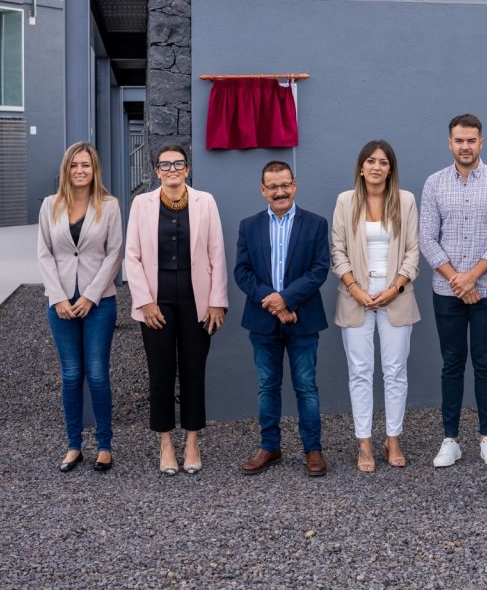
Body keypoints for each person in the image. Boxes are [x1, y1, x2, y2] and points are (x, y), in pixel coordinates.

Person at [419, 113, 487, 468]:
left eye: (471, 140)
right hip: (447, 291)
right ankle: (451, 439)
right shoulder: (433, 184)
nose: (465, 146)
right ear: (449, 142)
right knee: (452, 363)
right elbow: (427, 238)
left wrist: (472, 277)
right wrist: (456, 281)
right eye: (459, 140)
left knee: (485, 361)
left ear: (481, 142)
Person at [124, 145, 228, 476]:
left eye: (178, 163)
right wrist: (144, 300)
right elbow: (132, 256)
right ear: (156, 171)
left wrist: (217, 300)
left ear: (187, 169)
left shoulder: (205, 201)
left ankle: (193, 442)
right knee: (161, 373)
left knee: (194, 372)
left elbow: (217, 252)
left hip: (197, 300)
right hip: (156, 301)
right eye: (165, 164)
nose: (172, 169)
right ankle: (166, 445)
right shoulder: (141, 204)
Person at [235, 160, 330, 478]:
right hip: (262, 321)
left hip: (303, 319)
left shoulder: (315, 224)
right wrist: (274, 304)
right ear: (263, 190)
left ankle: (313, 449)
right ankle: (269, 446)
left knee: (307, 387)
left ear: (295, 185)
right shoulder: (248, 226)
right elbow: (242, 272)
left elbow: (319, 270)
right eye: (272, 186)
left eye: (285, 184)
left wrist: (287, 298)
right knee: (267, 386)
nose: (280, 191)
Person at [331, 140, 420, 472]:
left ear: (390, 168)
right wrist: (354, 287)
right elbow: (337, 250)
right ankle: (365, 443)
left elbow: (413, 251)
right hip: (356, 298)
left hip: (396, 296)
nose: (376, 167)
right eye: (370, 161)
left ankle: (393, 439)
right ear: (361, 166)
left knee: (395, 372)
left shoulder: (406, 201)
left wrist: (395, 287)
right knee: (360, 372)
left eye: (383, 162)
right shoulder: (345, 201)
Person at [38, 142, 123, 473]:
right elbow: (44, 252)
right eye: (74, 165)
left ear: (94, 169)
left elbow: (114, 252)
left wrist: (90, 295)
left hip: (99, 302)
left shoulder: (110, 205)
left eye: (86, 165)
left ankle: (104, 445)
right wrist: (58, 296)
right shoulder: (50, 205)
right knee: (71, 374)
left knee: (98, 374)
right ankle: (74, 445)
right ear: (66, 169)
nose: (80, 171)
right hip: (60, 303)